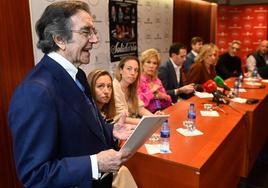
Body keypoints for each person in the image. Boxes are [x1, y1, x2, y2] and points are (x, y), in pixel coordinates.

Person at [8, 1, 132, 187]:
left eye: (93, 32)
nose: (94, 40)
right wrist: (94, 164)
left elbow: (80, 127)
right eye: (85, 32)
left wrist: (111, 131)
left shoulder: (78, 75)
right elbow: (35, 175)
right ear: (59, 39)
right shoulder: (35, 92)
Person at [87, 69, 137, 188]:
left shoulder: (107, 113)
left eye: (109, 87)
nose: (106, 91)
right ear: (90, 89)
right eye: (100, 86)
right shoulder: (88, 116)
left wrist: (115, 138)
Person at [113, 56, 153, 125]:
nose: (133, 73)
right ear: (121, 70)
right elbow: (120, 118)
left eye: (136, 70)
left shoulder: (131, 88)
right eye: (129, 69)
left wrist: (155, 118)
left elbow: (140, 109)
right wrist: (145, 122)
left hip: (130, 127)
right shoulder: (114, 87)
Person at [138, 48, 172, 113]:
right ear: (142, 64)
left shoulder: (157, 81)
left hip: (160, 113)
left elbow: (168, 101)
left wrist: (162, 96)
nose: (151, 66)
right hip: (145, 116)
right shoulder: (138, 81)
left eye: (154, 63)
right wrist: (152, 91)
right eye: (148, 62)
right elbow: (138, 102)